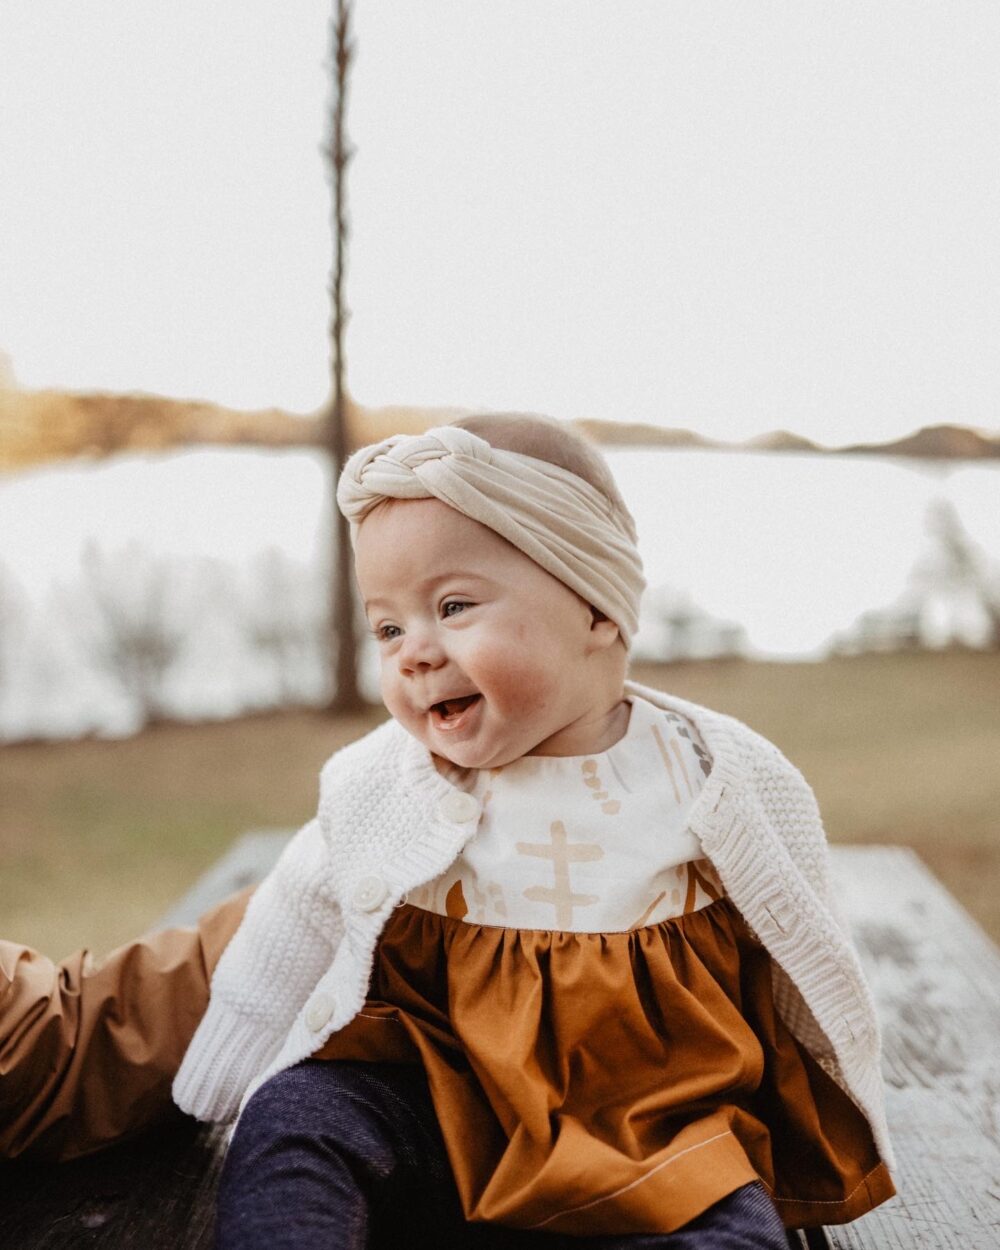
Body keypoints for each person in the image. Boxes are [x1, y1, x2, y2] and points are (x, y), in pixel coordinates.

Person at [1, 414, 896, 1248]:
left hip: (655, 1121)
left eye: (454, 607)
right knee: (296, 1122)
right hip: (436, 1097)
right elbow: (300, 918)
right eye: (387, 626)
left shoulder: (714, 771)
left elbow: (801, 932)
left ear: (597, 610)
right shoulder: (380, 782)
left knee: (732, 1225)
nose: (413, 651)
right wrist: (229, 1067)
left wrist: (831, 1077)